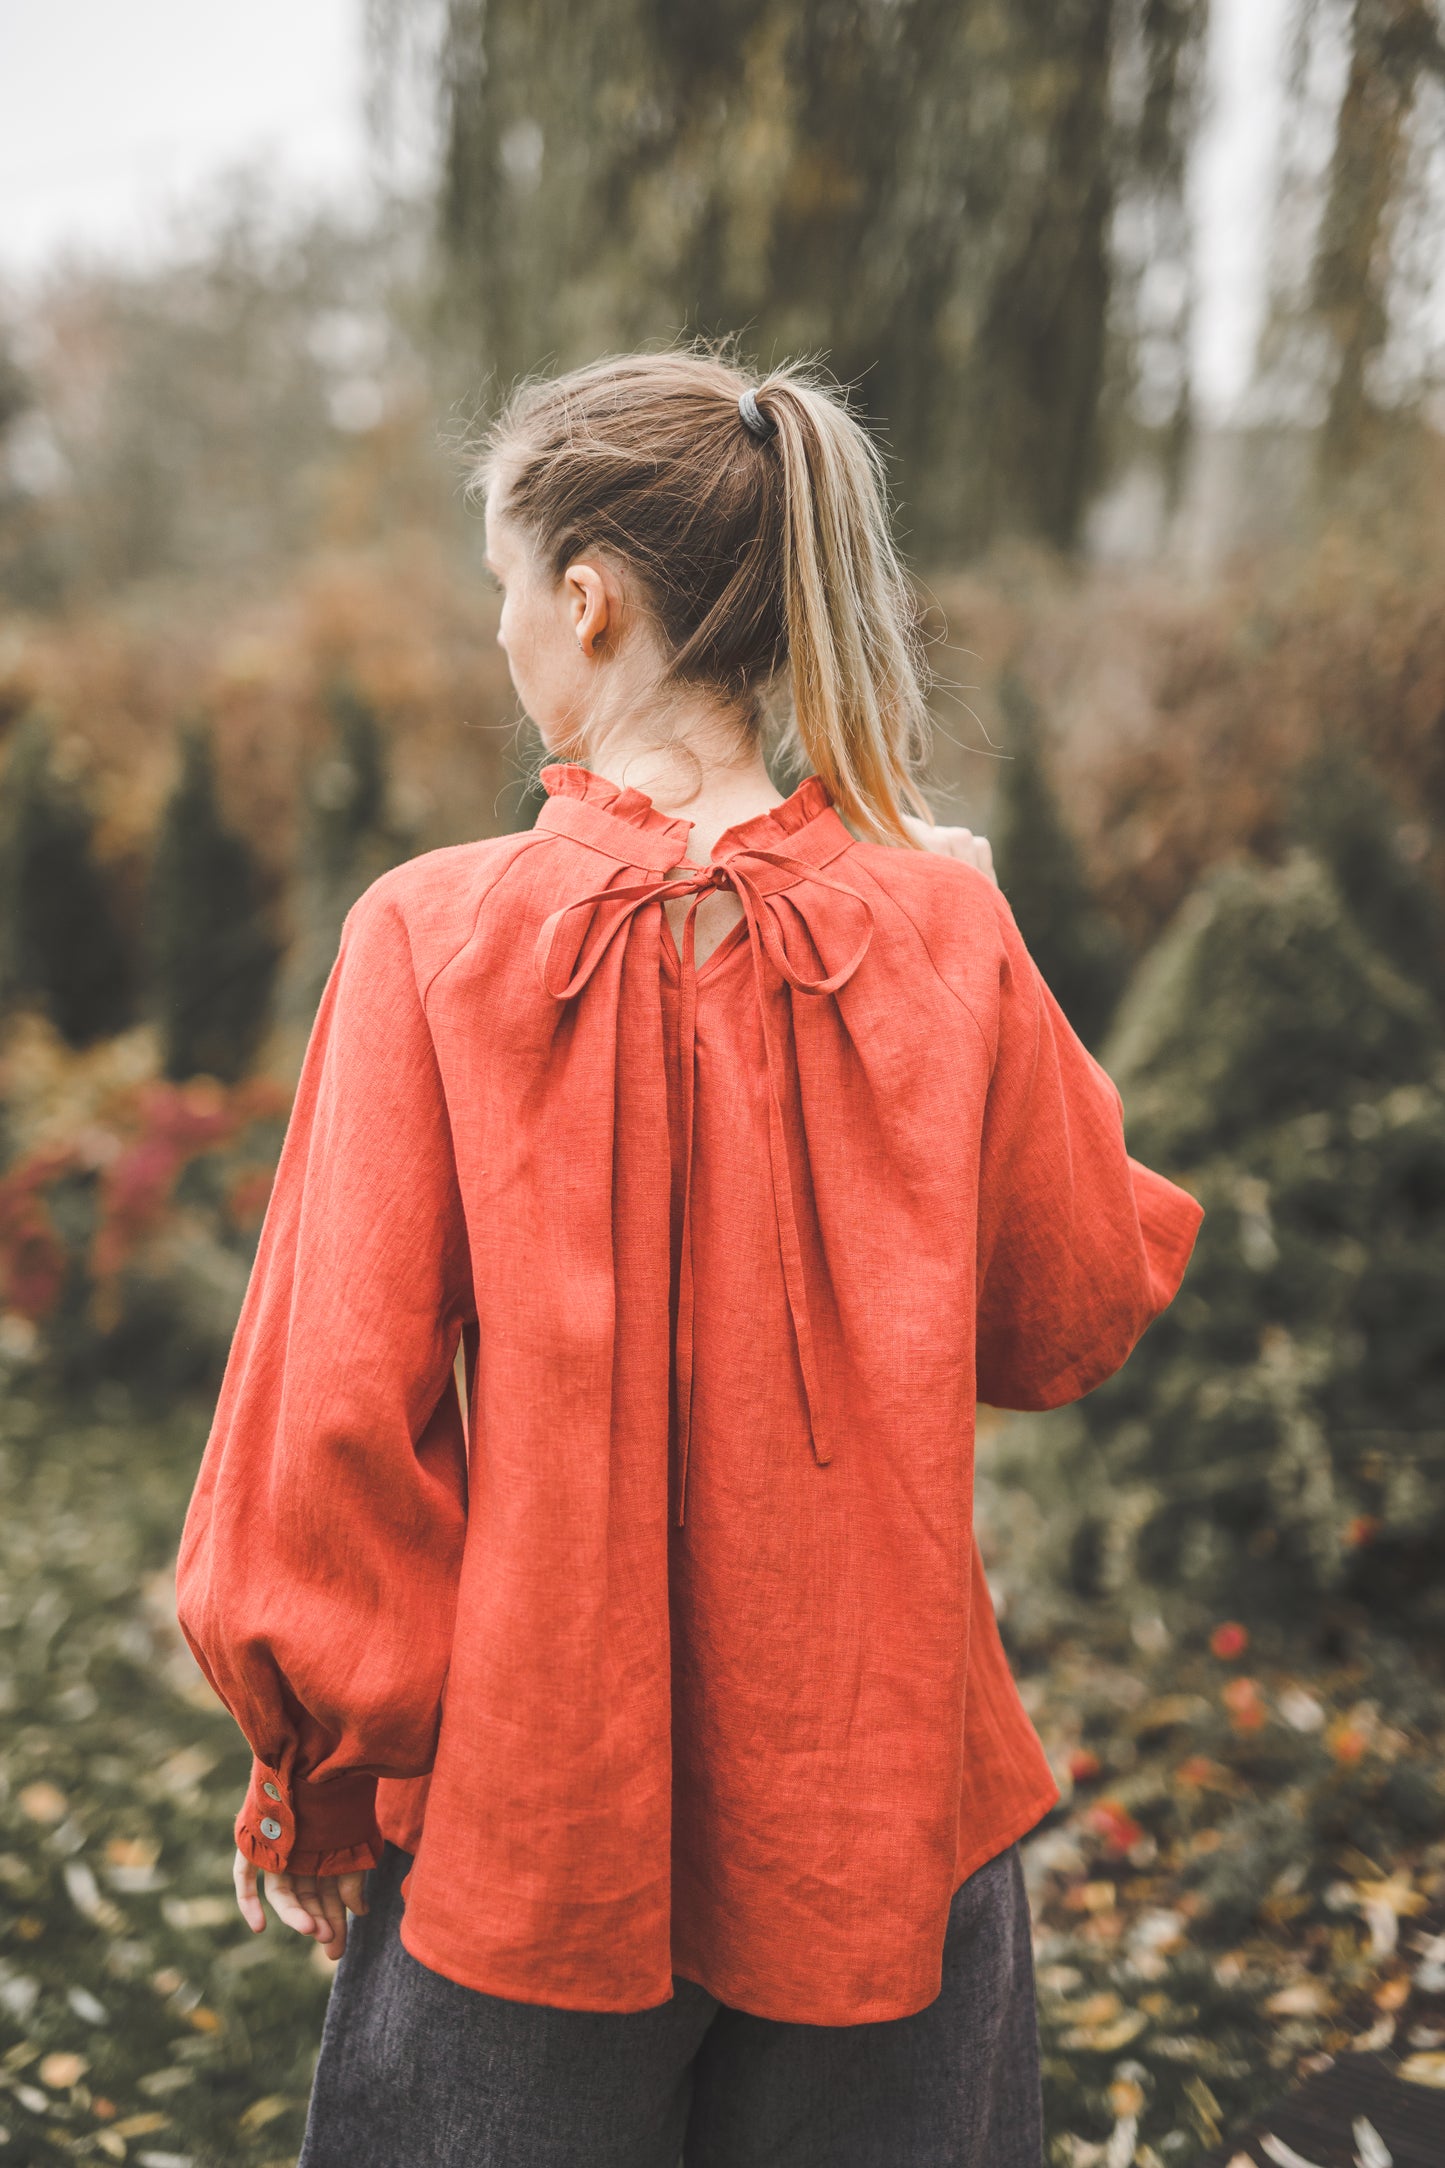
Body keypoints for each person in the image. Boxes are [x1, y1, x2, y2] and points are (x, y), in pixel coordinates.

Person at [175, 348, 1203, 2168]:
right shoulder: (943, 921)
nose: (501, 633)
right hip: (888, 1821)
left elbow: (330, 1417)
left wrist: (321, 1774)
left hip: (530, 1835)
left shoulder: (428, 935)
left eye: (502, 586)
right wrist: (966, 936)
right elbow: (1069, 1312)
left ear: (586, 598)